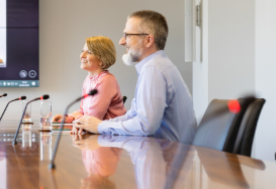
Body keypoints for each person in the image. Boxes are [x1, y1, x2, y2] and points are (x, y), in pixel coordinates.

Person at [73, 10, 197, 144]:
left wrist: (99, 126)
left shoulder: (153, 69)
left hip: (168, 158)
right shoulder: (156, 66)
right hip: (164, 155)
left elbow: (145, 125)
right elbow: (133, 116)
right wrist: (95, 124)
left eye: (127, 35)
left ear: (148, 40)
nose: (121, 42)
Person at [52, 36, 126, 126]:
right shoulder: (88, 80)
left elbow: (93, 119)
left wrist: (77, 117)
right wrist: (69, 118)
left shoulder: (106, 80)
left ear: (102, 60)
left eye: (89, 52)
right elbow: (83, 111)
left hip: (112, 136)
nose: (82, 56)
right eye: (83, 51)